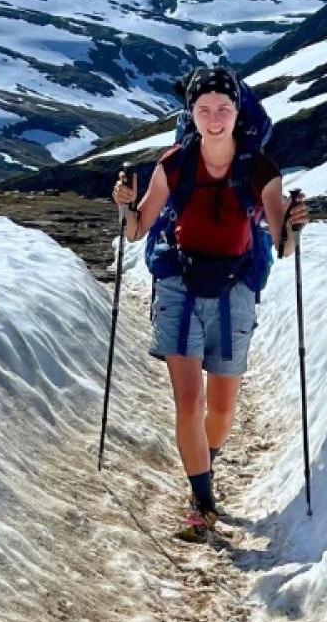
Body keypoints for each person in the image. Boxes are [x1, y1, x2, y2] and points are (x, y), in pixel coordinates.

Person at [112, 67, 308, 543]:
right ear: (191, 114)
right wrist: (124, 206)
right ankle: (202, 503)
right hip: (179, 285)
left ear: (237, 112)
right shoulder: (174, 163)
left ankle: (204, 462)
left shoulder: (260, 169)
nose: (214, 118)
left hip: (234, 290)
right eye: (204, 110)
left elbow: (281, 245)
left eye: (222, 108)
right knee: (190, 401)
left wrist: (295, 228)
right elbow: (136, 231)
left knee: (220, 409)